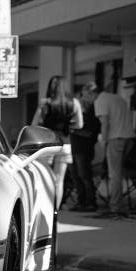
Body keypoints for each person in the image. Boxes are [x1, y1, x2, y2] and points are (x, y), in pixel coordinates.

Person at [31, 75, 83, 210]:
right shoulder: (74, 103)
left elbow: (34, 124)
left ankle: (43, 209)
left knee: (43, 177)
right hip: (65, 144)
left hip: (47, 143)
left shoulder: (45, 103)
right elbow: (80, 125)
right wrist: (68, 125)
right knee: (58, 181)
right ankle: (55, 213)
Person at [94, 80, 135, 217]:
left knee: (114, 174)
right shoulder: (118, 98)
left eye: (85, 96)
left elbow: (105, 123)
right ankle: (116, 203)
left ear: (91, 93)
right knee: (118, 172)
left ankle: (115, 207)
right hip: (129, 137)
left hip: (115, 138)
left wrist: (103, 141)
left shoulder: (100, 100)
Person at [68, 82, 101, 212]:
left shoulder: (94, 113)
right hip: (73, 149)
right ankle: (80, 202)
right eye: (82, 95)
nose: (83, 98)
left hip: (84, 150)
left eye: (86, 95)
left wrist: (74, 130)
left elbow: (90, 133)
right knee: (75, 177)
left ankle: (91, 203)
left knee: (85, 176)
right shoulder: (76, 115)